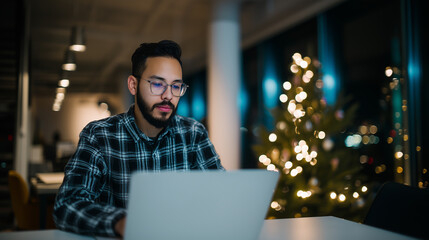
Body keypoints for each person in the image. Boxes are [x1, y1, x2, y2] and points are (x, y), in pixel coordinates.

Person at [53, 40, 224, 237]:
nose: (168, 96)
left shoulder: (193, 133)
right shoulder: (99, 136)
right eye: (158, 84)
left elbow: (218, 194)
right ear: (133, 85)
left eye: (176, 86)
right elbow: (67, 204)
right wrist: (122, 222)